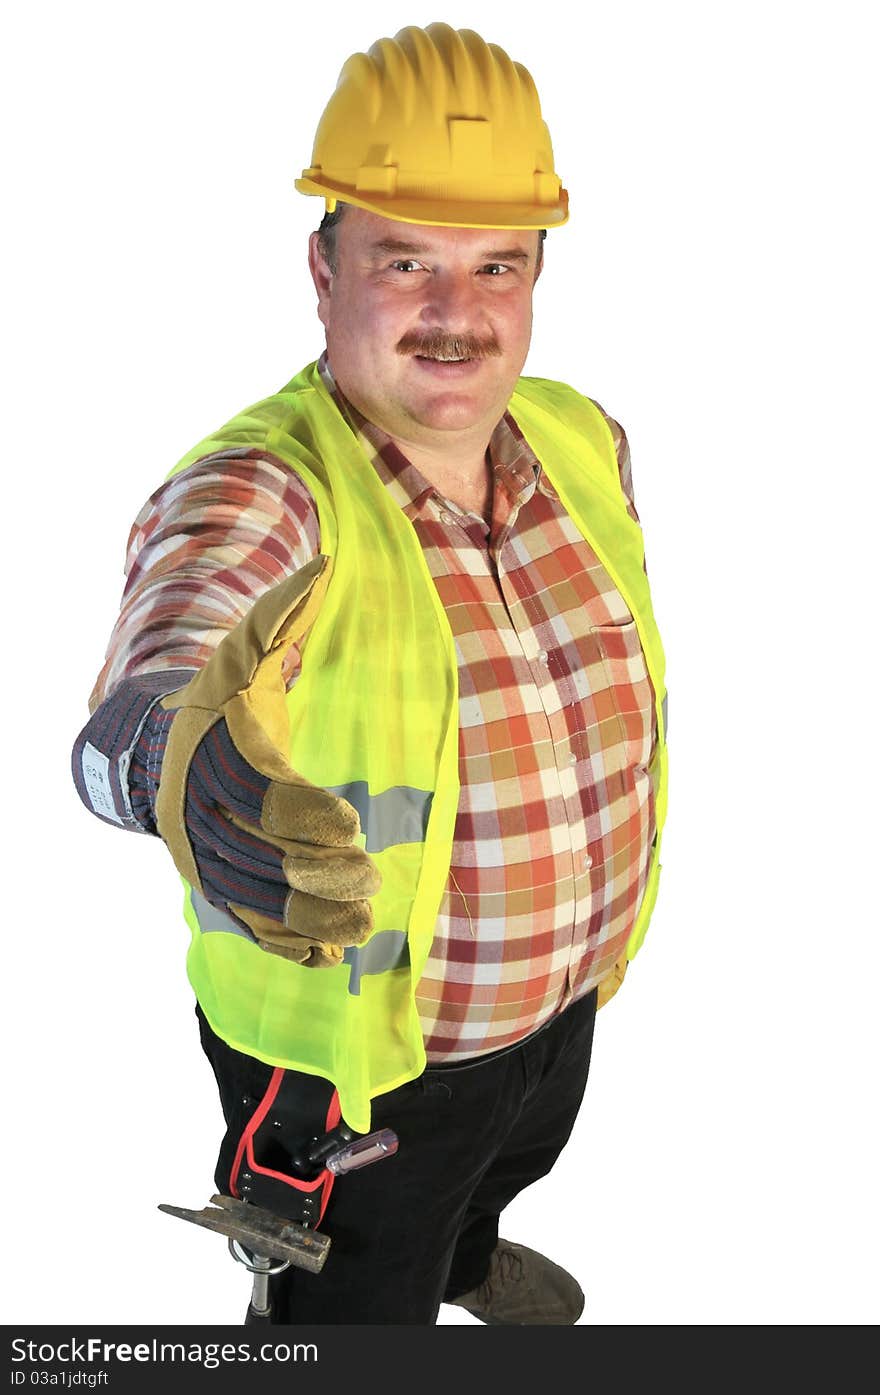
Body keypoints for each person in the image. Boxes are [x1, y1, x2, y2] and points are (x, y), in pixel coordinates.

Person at [71, 21, 668, 1326]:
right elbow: (176, 632)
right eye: (407, 260)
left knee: (509, 1158)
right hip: (356, 1076)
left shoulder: (583, 436)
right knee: (350, 1292)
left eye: (497, 264)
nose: (459, 314)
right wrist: (165, 751)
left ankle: (465, 1252)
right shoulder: (268, 484)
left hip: (559, 1002)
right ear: (324, 268)